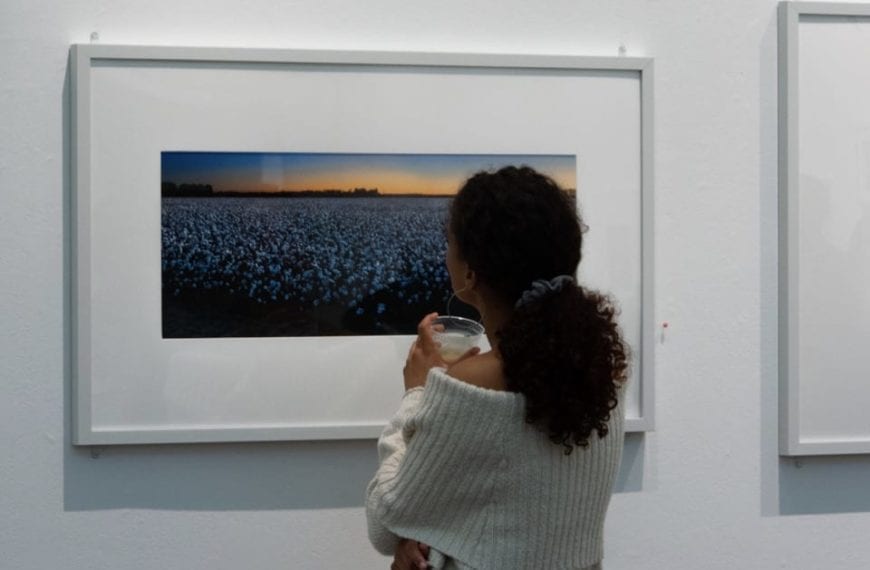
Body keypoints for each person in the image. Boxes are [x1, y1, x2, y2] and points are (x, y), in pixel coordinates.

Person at [365, 166, 629, 570]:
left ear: (470, 272)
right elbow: (514, 507)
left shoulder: (473, 385)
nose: (445, 253)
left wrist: (416, 393)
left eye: (448, 242)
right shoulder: (603, 365)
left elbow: (386, 519)